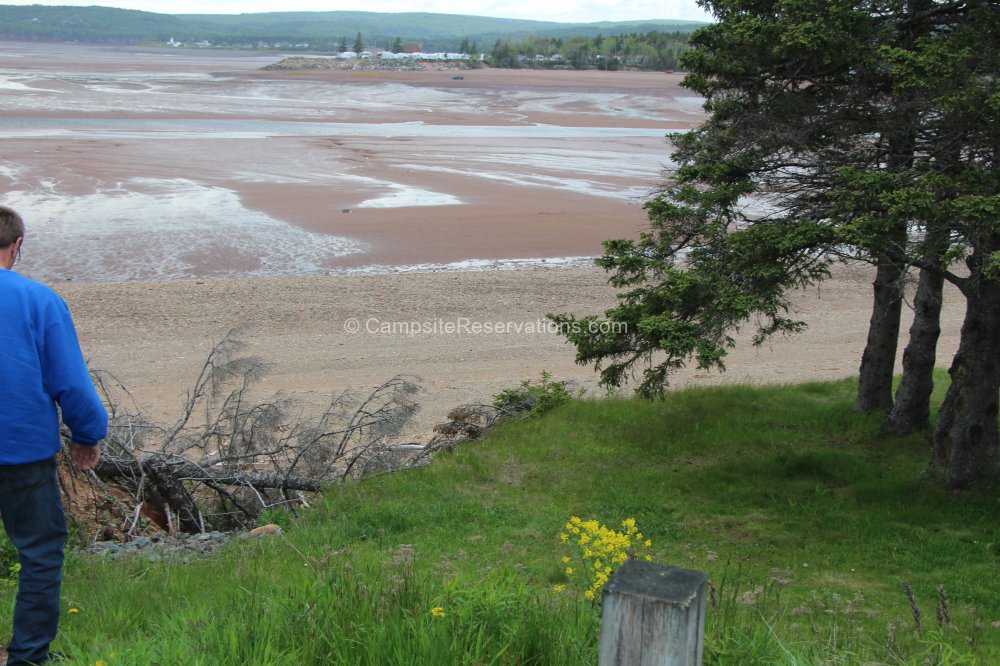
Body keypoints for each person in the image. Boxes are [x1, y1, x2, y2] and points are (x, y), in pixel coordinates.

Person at [0, 205, 108, 665]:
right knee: (40, 553)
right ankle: (27, 658)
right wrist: (87, 434)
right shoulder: (39, 300)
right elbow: (70, 382)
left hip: (22, 450)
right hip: (21, 453)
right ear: (17, 245)